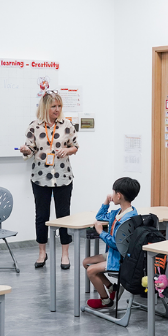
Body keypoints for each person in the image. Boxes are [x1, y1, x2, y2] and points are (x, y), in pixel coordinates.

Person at [21, 91, 79, 269]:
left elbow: (75, 147)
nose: (57, 109)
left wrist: (67, 150)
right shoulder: (34, 126)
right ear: (45, 107)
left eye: (59, 106)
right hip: (40, 178)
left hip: (63, 177)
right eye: (53, 106)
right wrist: (26, 150)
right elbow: (30, 149)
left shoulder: (67, 125)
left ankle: (65, 254)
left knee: (63, 216)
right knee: (42, 216)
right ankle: (42, 253)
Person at [82, 177, 140, 310]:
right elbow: (99, 217)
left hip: (121, 258)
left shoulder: (127, 219)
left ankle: (105, 301)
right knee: (86, 262)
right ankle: (112, 288)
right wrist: (106, 202)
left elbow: (116, 244)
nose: (111, 194)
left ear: (118, 195)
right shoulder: (119, 213)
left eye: (113, 192)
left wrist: (100, 232)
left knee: (91, 270)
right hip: (115, 254)